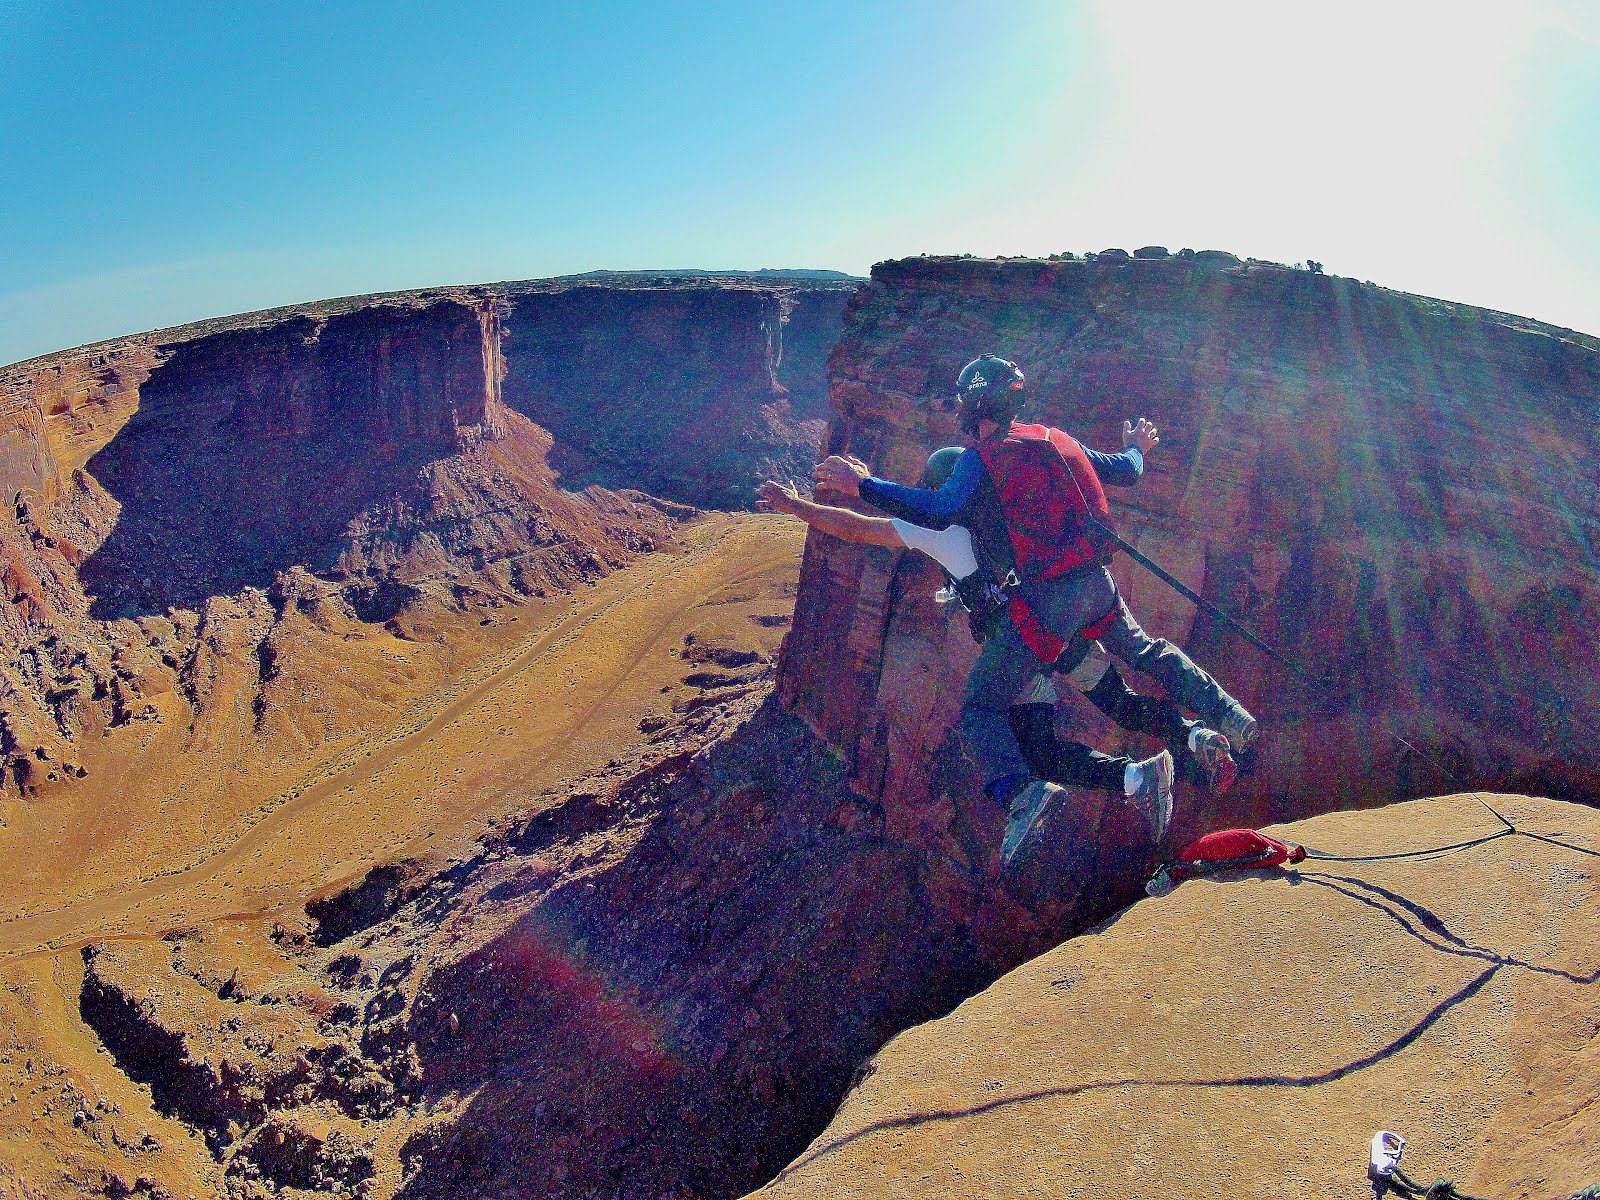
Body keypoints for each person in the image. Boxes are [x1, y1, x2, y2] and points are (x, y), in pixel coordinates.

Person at [813, 355, 1258, 868]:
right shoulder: (1054, 439)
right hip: (1097, 584)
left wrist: (860, 485)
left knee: (981, 704)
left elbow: (936, 510)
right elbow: (1126, 470)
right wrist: (1139, 446)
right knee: (1144, 657)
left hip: (1045, 609)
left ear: (975, 400)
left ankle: (1022, 794)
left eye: (962, 397)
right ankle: (1225, 714)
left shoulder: (979, 462)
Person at [756, 475, 1176, 818]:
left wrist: (799, 508)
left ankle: (1030, 799)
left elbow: (859, 527)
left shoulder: (947, 535)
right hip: (1066, 632)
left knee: (1013, 735)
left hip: (1018, 653)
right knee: (1111, 707)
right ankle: (1168, 757)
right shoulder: (1014, 515)